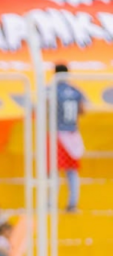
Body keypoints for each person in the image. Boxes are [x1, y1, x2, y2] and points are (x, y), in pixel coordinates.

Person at [54, 64, 85, 213]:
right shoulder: (75, 90)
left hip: (58, 134)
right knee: (72, 171)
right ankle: (72, 203)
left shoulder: (52, 90)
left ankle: (50, 202)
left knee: (53, 170)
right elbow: (82, 110)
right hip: (73, 134)